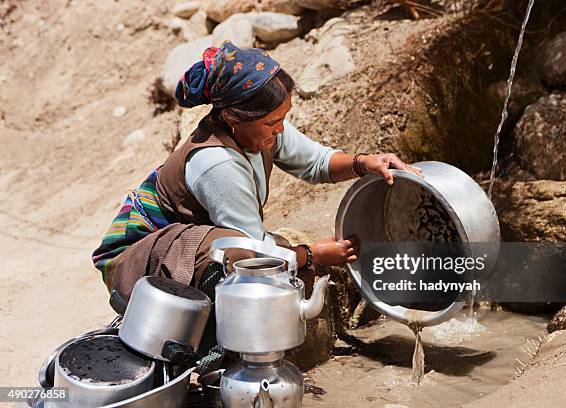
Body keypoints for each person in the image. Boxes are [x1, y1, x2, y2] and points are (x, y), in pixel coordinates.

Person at [92, 41, 422, 371]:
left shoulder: (262, 127)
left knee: (271, 253)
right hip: (137, 263)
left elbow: (316, 162)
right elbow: (253, 254)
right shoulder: (217, 164)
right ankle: (208, 360)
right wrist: (313, 254)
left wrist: (365, 163)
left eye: (283, 119)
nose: (279, 129)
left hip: (183, 247)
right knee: (240, 257)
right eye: (272, 122)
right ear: (237, 118)